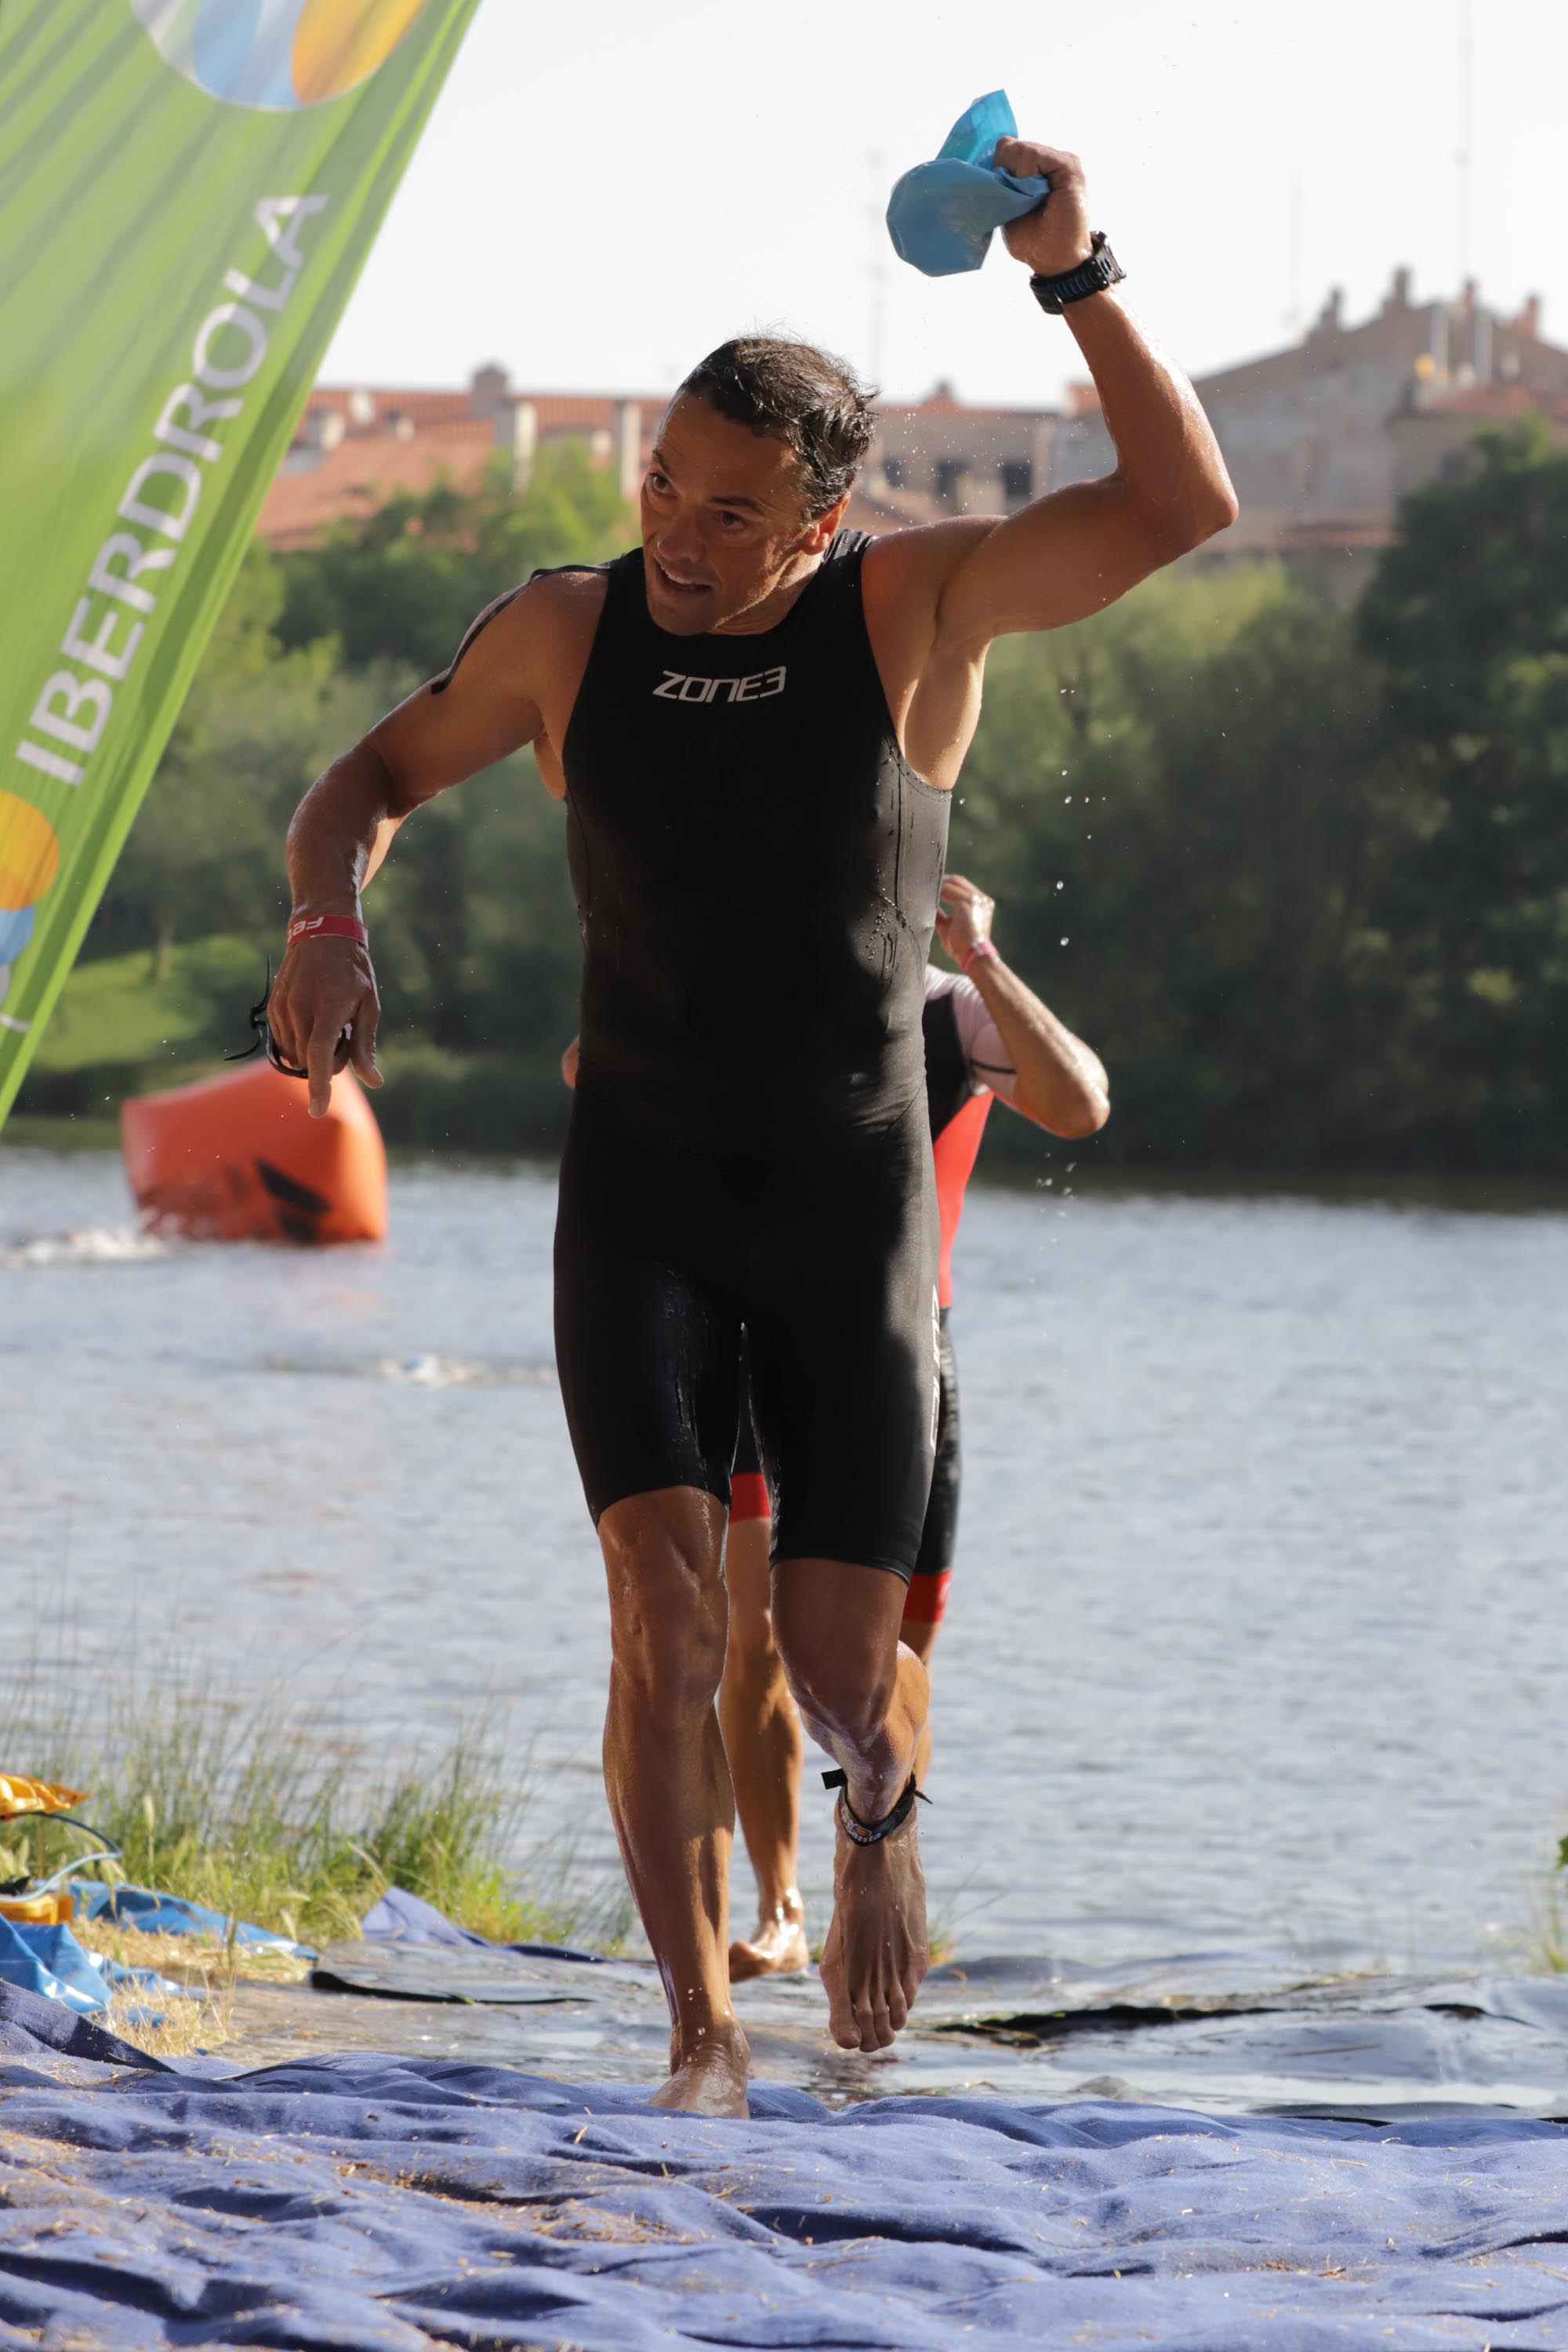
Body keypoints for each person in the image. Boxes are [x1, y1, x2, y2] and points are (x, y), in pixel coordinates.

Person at [267, 135, 1237, 2117]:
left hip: (844, 1204)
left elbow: (1176, 505)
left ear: (824, 518)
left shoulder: (912, 617)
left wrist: (1072, 271)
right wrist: (322, 908)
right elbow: (365, 772)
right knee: (660, 1606)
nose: (682, 537)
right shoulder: (563, 631)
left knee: (837, 1678)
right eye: (660, 491)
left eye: (730, 511)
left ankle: (880, 1822)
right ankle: (699, 2030)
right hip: (636, 1188)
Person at [723, 873, 1109, 1979]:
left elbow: (1078, 1101)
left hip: (901, 1361)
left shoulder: (953, 1014)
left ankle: (874, 1854)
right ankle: (781, 1908)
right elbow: (596, 1074)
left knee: (889, 1669)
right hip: (758, 1341)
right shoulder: (750, 996)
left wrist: (981, 954)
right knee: (750, 1637)